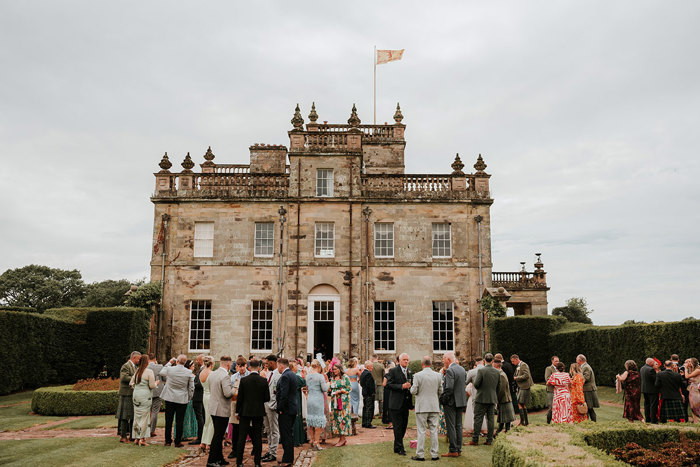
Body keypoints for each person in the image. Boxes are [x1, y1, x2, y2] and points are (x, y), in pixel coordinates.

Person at [235, 359, 270, 467]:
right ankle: (257, 463)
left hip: (245, 411)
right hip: (258, 411)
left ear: (249, 368)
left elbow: (239, 398)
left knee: (242, 437)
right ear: (259, 368)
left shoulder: (244, 380)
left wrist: (237, 412)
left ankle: (239, 462)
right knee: (257, 437)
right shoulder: (263, 381)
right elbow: (267, 398)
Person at [410, 356, 443, 461]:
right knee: (434, 430)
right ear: (431, 364)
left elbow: (413, 391)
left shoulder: (417, 375)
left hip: (422, 407)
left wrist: (412, 388)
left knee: (421, 431)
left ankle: (420, 454)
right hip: (433, 406)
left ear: (422, 364)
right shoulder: (438, 375)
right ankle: (434, 454)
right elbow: (441, 391)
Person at [160, 354, 195, 447]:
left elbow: (161, 372)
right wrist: (189, 397)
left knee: (168, 420)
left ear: (177, 361)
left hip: (170, 398)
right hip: (182, 399)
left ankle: (167, 441)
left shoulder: (170, 369)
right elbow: (191, 387)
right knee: (180, 421)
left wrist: (169, 363)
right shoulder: (188, 372)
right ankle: (177, 441)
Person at [206, 355, 233, 467]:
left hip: (213, 408)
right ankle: (211, 461)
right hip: (221, 409)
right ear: (228, 364)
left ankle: (219, 458)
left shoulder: (213, 374)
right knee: (218, 435)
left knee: (219, 434)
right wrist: (235, 388)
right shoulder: (225, 376)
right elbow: (227, 394)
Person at [467, 353, 500, 446]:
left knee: (478, 419)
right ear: (492, 361)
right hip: (492, 398)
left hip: (481, 398)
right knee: (490, 419)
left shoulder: (481, 371)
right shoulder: (497, 372)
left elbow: (476, 384)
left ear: (484, 360)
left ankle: (475, 440)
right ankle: (489, 440)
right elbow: (499, 386)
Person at [386, 353, 413, 456]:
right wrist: (401, 386)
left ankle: (397, 446)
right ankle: (400, 447)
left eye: (407, 360)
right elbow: (388, 385)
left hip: (406, 403)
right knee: (397, 426)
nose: (406, 361)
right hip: (395, 403)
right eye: (404, 360)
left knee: (404, 426)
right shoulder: (393, 371)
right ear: (400, 361)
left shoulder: (410, 371)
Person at [440, 351, 466, 457]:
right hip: (460, 401)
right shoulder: (462, 369)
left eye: (443, 359)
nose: (442, 361)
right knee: (458, 426)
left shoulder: (450, 370)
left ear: (448, 360)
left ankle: (453, 449)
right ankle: (458, 449)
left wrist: (443, 399)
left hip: (451, 402)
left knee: (451, 426)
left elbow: (449, 388)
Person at [276, 358, 298, 467]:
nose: (277, 368)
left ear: (281, 365)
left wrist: (279, 408)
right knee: (288, 434)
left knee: (286, 435)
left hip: (286, 410)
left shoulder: (285, 376)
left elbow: (284, 395)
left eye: (277, 365)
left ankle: (288, 460)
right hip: (292, 408)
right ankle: (287, 457)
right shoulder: (292, 374)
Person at [130, 353, 156, 445]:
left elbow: (131, 383)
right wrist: (156, 383)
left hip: (136, 395)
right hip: (145, 396)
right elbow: (152, 385)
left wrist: (137, 388)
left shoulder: (137, 371)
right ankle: (142, 439)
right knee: (144, 418)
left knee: (137, 417)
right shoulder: (149, 372)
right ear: (147, 362)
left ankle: (136, 438)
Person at [225, 356, 248, 460]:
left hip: (246, 404)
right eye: (239, 366)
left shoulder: (249, 375)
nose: (241, 368)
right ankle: (234, 450)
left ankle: (245, 450)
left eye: (243, 366)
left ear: (246, 365)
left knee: (247, 428)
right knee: (235, 429)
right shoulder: (233, 377)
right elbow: (230, 391)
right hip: (235, 403)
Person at [117, 351, 141, 443]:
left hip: (132, 393)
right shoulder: (126, 366)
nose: (139, 360)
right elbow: (124, 378)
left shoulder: (135, 367)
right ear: (134, 358)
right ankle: (123, 436)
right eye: (138, 359)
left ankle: (132, 435)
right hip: (126, 393)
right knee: (124, 416)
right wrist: (136, 378)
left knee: (132, 415)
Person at [305, 359, 329, 450]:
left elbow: (307, 387)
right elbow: (324, 389)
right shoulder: (320, 377)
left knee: (311, 420)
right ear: (319, 367)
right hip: (318, 400)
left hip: (310, 399)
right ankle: (317, 442)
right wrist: (328, 384)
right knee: (318, 421)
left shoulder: (307, 376)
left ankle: (311, 439)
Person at [260, 354, 280, 464]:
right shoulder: (269, 374)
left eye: (267, 363)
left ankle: (274, 453)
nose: (266, 365)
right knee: (268, 430)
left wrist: (276, 405)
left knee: (274, 430)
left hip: (273, 406)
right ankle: (269, 449)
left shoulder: (278, 374)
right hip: (266, 404)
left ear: (272, 363)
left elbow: (278, 392)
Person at [329, 363, 352, 447]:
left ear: (340, 369)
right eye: (333, 369)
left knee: (342, 418)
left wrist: (341, 391)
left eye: (335, 369)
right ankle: (341, 438)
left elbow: (349, 388)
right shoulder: (333, 378)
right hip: (334, 400)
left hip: (343, 401)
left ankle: (342, 438)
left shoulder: (345, 377)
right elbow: (330, 387)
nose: (334, 371)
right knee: (336, 418)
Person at [494, 358, 515, 436]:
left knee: (505, 417)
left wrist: (497, 399)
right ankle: (500, 431)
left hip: (504, 398)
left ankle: (503, 431)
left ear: (496, 365)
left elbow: (502, 389)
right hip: (504, 398)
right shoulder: (501, 373)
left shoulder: (501, 375)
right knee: (503, 417)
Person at [511, 354, 533, 426]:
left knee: (520, 403)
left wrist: (516, 378)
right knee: (521, 403)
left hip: (524, 386)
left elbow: (527, 375)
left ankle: (523, 422)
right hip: (521, 386)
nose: (512, 363)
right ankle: (524, 422)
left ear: (517, 359)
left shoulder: (523, 365)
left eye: (513, 361)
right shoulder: (518, 366)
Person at [289, 359, 307, 447]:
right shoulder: (294, 376)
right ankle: (297, 440)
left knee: (298, 418)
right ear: (292, 367)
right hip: (295, 399)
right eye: (296, 366)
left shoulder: (293, 375)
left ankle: (299, 439)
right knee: (296, 419)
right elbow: (304, 382)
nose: (297, 367)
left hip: (296, 397)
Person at [577, 354, 600, 422]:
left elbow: (586, 378)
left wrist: (576, 379)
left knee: (589, 408)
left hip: (588, 390)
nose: (576, 361)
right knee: (588, 409)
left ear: (580, 360)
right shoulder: (583, 366)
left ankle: (592, 423)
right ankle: (589, 423)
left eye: (577, 359)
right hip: (587, 390)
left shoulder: (586, 367)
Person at [464, 357, 483, 436]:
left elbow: (465, 382)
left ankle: (476, 433)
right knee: (488, 416)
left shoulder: (472, 372)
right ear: (483, 361)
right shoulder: (490, 370)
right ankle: (489, 435)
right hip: (488, 396)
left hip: (476, 396)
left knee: (476, 414)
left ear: (476, 362)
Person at [199, 356, 215, 453]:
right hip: (211, 397)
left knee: (207, 420)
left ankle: (203, 442)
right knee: (211, 420)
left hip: (205, 396)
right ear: (212, 364)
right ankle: (209, 443)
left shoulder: (201, 373)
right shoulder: (211, 373)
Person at [147, 354, 164, 437]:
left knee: (147, 411)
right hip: (157, 391)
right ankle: (152, 430)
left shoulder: (145, 367)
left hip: (148, 391)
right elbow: (164, 379)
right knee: (155, 412)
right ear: (155, 359)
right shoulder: (160, 367)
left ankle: (145, 430)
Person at [182, 360, 200, 440]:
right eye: (192, 366)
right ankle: (185, 434)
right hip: (189, 397)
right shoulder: (190, 375)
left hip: (185, 397)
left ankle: (186, 433)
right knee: (187, 416)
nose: (194, 367)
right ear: (189, 366)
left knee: (187, 416)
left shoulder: (184, 374)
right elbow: (192, 387)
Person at [191, 355, 205, 445]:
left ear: (200, 361)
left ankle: (200, 438)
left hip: (199, 397)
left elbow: (200, 384)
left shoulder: (203, 370)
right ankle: (201, 437)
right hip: (201, 397)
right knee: (201, 417)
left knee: (200, 418)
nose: (196, 361)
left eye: (197, 360)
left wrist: (192, 382)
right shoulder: (202, 369)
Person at [640, 357, 659, 423]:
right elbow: (655, 380)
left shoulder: (642, 368)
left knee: (647, 404)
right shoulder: (651, 369)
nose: (654, 363)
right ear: (650, 363)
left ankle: (647, 418)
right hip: (652, 390)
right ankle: (653, 420)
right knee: (653, 405)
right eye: (653, 362)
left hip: (644, 389)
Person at [346, 357, 361, 435]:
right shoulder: (356, 369)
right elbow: (360, 376)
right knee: (356, 401)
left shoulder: (347, 370)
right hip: (355, 384)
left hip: (349, 385)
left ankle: (349, 416)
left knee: (350, 400)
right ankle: (355, 415)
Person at [359, 360, 376, 429]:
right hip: (369, 393)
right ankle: (368, 423)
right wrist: (372, 392)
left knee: (365, 407)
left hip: (364, 392)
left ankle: (364, 422)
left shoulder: (363, 373)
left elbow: (361, 383)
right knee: (369, 408)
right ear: (368, 366)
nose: (372, 367)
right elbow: (369, 385)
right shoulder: (368, 374)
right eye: (371, 366)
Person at [544, 356, 560, 424]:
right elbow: (547, 379)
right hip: (551, 390)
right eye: (556, 361)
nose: (557, 362)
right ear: (552, 361)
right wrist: (557, 383)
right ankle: (548, 422)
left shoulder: (559, 369)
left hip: (558, 391)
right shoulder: (549, 368)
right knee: (551, 407)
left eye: (558, 361)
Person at [684, 358, 700, 423]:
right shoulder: (692, 369)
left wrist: (685, 368)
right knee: (692, 405)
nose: (688, 363)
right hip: (692, 389)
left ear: (693, 363)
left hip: (696, 390)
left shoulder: (698, 370)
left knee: (697, 405)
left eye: (689, 362)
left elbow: (687, 376)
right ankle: (696, 421)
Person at [382, 360, 394, 428]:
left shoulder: (386, 375)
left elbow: (384, 384)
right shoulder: (394, 375)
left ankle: (385, 419)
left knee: (386, 405)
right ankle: (391, 421)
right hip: (392, 391)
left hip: (387, 391)